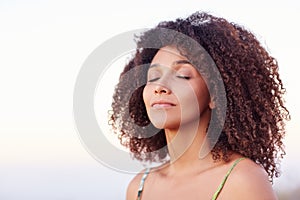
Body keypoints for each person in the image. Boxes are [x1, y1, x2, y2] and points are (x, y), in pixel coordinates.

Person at [109, 11, 290, 200]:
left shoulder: (242, 180)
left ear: (215, 94)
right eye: (153, 77)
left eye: (183, 75)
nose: (160, 87)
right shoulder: (140, 187)